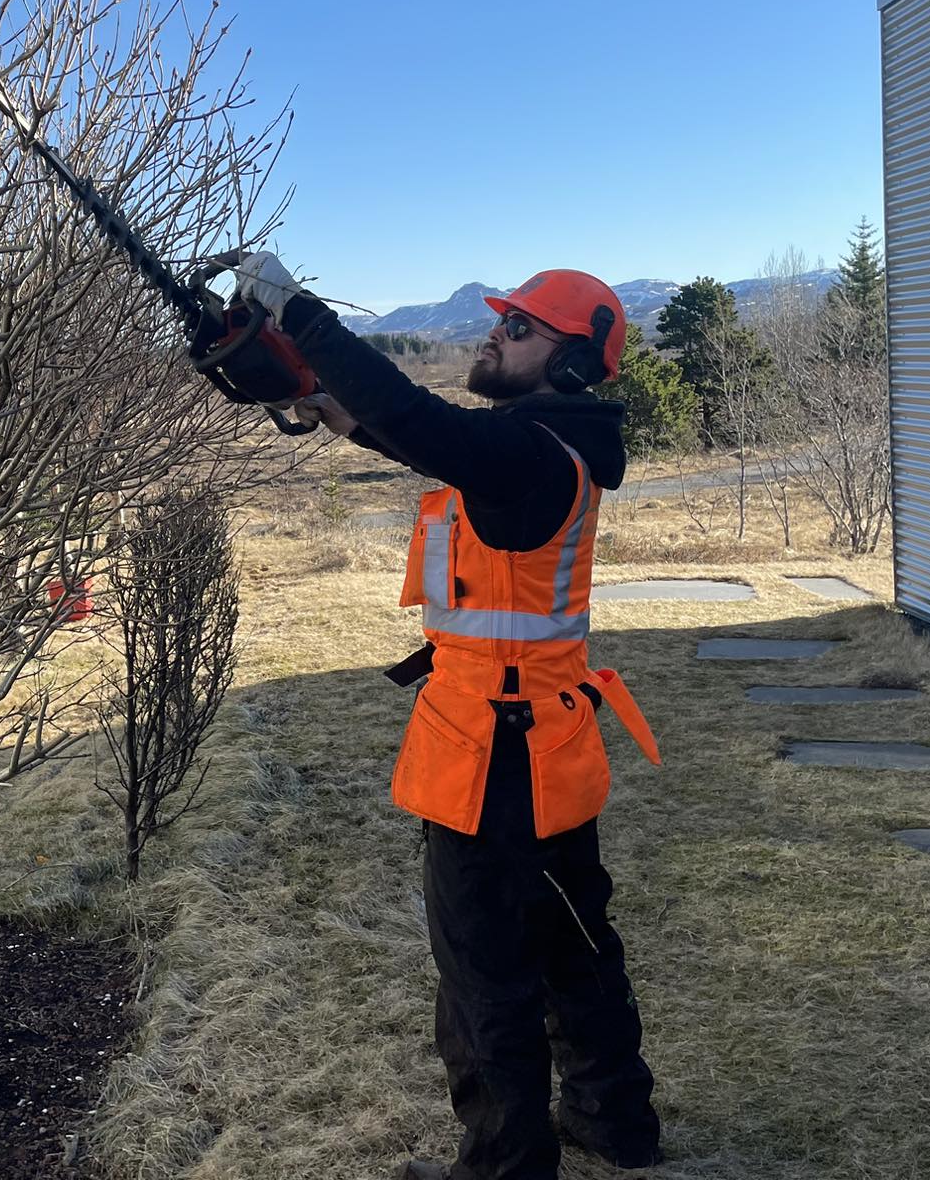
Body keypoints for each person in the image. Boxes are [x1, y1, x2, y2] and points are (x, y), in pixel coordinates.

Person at [232, 255, 665, 1180]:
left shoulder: (530, 455)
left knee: (484, 983)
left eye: (517, 329)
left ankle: (507, 1167)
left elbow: (424, 425)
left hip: (491, 760)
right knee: (573, 944)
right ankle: (614, 1119)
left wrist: (299, 314)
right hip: (548, 744)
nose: (492, 335)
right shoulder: (552, 447)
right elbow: (423, 442)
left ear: (572, 363)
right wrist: (323, 404)